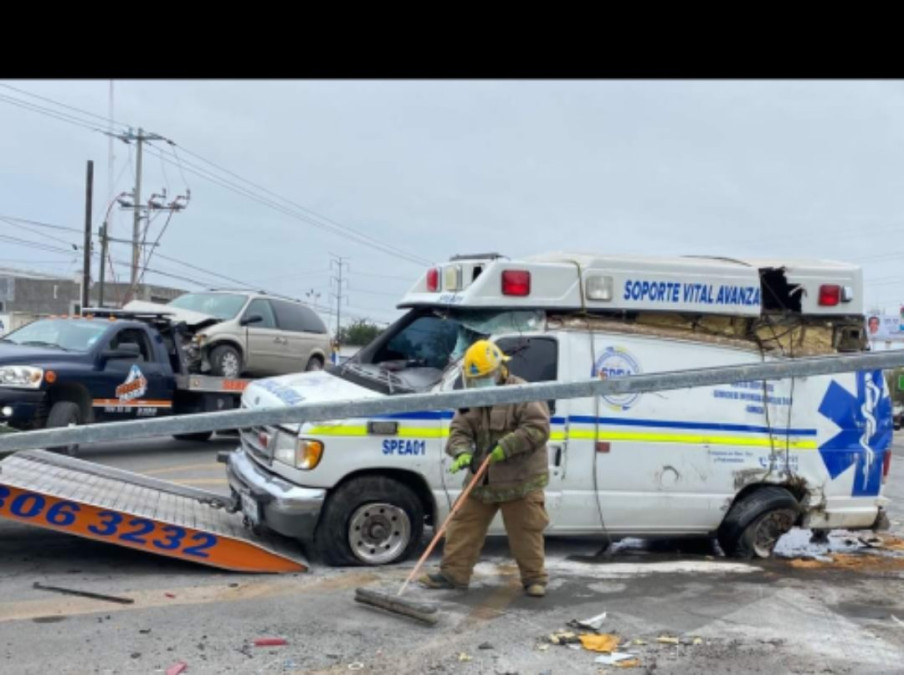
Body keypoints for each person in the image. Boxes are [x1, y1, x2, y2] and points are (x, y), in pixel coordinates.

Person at [419, 339, 551, 597]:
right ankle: (453, 574)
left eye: (484, 378)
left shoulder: (523, 393)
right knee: (463, 525)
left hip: (520, 481)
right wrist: (461, 451)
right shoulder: (473, 398)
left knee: (526, 532)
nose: (479, 385)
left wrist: (507, 446)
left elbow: (537, 429)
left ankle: (535, 579)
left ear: (500, 370)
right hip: (482, 480)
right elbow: (459, 430)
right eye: (474, 379)